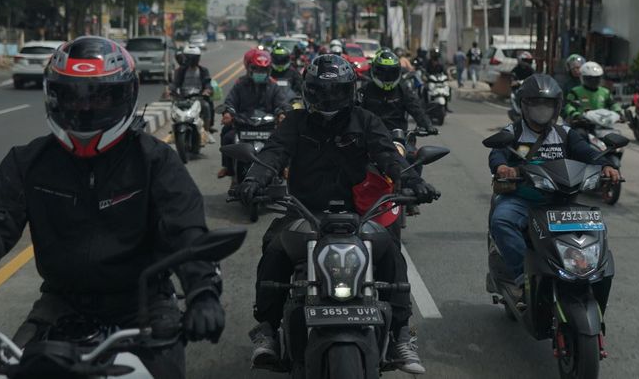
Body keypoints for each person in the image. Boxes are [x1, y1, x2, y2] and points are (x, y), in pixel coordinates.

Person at [0, 37, 224, 378]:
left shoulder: (155, 161)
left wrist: (202, 292)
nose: (85, 109)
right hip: (60, 305)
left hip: (143, 308)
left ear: (126, 96)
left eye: (100, 97)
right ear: (52, 97)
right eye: (71, 97)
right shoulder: (27, 163)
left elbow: (185, 229)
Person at [240, 54, 438, 375]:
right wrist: (253, 179)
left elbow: (389, 155)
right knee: (274, 247)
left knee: (390, 251)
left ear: (351, 90)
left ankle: (401, 333)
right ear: (308, 91)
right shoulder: (296, 123)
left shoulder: (366, 120)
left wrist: (415, 181)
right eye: (321, 91)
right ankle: (267, 329)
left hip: (357, 214)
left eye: (337, 91)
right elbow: (274, 152)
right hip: (305, 212)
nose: (329, 98)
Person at [488, 74, 620, 303]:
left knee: (596, 228)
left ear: (556, 107)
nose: (542, 110)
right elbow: (497, 152)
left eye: (547, 105)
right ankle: (522, 280)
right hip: (524, 200)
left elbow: (588, 153)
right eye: (537, 104)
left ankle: (588, 276)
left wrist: (607, 166)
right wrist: (501, 166)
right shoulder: (515, 132)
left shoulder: (565, 133)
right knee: (502, 221)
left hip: (562, 201)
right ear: (525, 106)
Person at [218, 49, 291, 179]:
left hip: (267, 125)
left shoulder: (273, 86)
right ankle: (227, 167)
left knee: (285, 139)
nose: (260, 73)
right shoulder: (240, 84)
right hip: (243, 124)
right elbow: (230, 101)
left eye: (263, 70)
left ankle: (284, 167)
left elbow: (282, 103)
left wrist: (282, 114)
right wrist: (228, 113)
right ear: (249, 69)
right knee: (226, 135)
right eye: (257, 69)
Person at [359, 49, 436, 134]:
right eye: (383, 73)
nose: (387, 77)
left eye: (392, 73)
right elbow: (354, 112)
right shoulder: (366, 90)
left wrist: (427, 124)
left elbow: (416, 108)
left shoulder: (402, 89)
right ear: (374, 70)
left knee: (412, 147)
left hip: (398, 137)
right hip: (371, 136)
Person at [171, 44, 214, 133]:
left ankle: (207, 130)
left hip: (198, 98)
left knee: (206, 106)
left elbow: (207, 83)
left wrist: (207, 90)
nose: (192, 60)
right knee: (173, 108)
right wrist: (171, 90)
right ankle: (175, 128)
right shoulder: (180, 71)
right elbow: (175, 83)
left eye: (194, 58)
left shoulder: (203, 71)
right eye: (190, 57)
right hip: (183, 98)